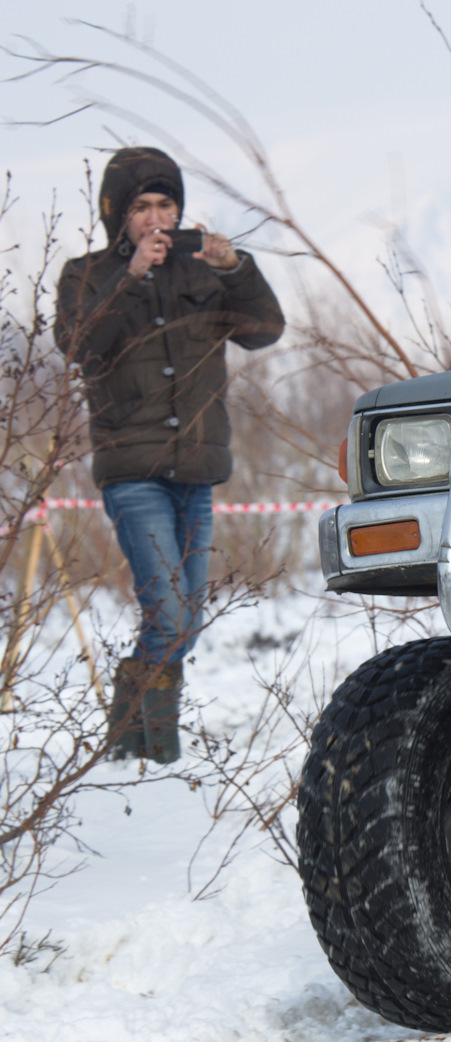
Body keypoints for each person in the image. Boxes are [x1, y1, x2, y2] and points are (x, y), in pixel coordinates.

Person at [55, 146, 285, 763]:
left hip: (198, 470)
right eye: (140, 207)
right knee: (171, 614)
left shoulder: (204, 271)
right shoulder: (87, 275)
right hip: (133, 472)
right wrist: (128, 277)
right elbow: (79, 344)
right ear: (117, 216)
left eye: (165, 204)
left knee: (185, 620)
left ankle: (133, 746)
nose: (155, 218)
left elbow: (264, 329)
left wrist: (235, 267)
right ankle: (153, 747)